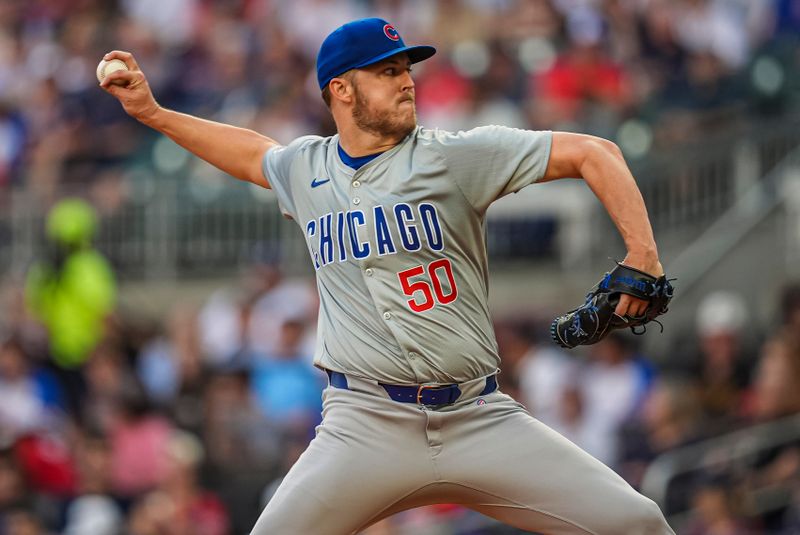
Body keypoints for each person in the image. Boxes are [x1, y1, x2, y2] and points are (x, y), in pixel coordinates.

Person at [100, 17, 673, 535]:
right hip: (365, 424)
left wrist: (642, 254)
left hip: (477, 415)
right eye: (388, 71)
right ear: (341, 90)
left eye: (407, 70)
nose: (407, 81)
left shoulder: (451, 157)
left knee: (639, 524)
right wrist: (152, 113)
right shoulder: (307, 168)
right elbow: (253, 154)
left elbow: (596, 153)